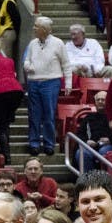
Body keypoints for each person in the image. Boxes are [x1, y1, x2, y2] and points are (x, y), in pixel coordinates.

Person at [23, 16, 71, 156]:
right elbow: (26, 60)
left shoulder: (58, 43)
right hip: (34, 82)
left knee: (49, 115)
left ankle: (49, 144)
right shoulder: (32, 43)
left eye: (36, 26)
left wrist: (68, 83)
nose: (33, 29)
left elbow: (66, 65)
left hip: (51, 82)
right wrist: (27, 66)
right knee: (34, 114)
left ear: (44, 30)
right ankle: (34, 143)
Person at [76, 91, 112, 171]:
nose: (100, 102)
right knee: (81, 153)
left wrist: (110, 140)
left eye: (103, 100)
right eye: (98, 100)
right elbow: (79, 134)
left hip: (110, 145)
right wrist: (86, 142)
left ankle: (104, 180)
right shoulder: (88, 118)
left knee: (103, 151)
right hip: (90, 147)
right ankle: (88, 181)